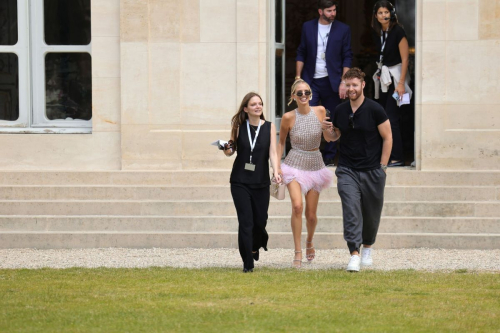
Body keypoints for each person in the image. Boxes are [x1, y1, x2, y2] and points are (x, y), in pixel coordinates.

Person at [322, 68, 392, 272]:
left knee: (371, 213)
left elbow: (388, 137)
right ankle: (354, 253)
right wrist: (328, 130)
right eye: (348, 84)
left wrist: (383, 167)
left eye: (355, 85)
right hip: (347, 169)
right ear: (343, 86)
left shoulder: (375, 109)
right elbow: (333, 138)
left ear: (363, 85)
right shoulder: (340, 110)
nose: (351, 88)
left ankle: (367, 247)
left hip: (372, 170)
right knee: (351, 209)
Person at [277, 79, 333, 268]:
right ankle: (297, 251)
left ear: (311, 94)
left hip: (315, 165)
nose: (303, 96)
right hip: (293, 164)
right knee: (297, 207)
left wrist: (329, 130)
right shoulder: (287, 117)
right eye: (299, 93)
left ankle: (309, 240)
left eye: (306, 93)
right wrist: (276, 167)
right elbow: (280, 143)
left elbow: (328, 138)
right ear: (293, 96)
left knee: (310, 215)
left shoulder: (320, 111)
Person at [223, 92, 281, 273]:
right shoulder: (239, 126)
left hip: (261, 181)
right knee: (246, 221)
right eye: (254, 104)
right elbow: (231, 151)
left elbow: (272, 151)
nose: (258, 106)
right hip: (240, 180)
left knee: (260, 221)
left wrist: (276, 171)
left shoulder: (269, 127)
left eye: (260, 103)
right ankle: (248, 262)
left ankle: (255, 245)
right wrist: (226, 148)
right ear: (246, 109)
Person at [295, 0, 353, 166]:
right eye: (329, 11)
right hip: (310, 80)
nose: (333, 13)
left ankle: (329, 156)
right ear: (320, 11)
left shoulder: (343, 29)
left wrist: (344, 81)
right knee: (308, 117)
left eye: (334, 10)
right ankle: (308, 153)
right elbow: (301, 51)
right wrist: (298, 77)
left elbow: (347, 55)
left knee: (332, 118)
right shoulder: (308, 27)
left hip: (332, 81)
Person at [372, 0, 411, 167]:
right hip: (385, 80)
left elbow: (405, 58)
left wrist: (401, 83)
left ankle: (398, 157)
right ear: (376, 16)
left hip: (396, 79)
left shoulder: (397, 31)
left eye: (386, 12)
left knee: (392, 117)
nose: (384, 15)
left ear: (391, 13)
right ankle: (388, 155)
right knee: (385, 117)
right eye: (380, 13)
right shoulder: (379, 32)